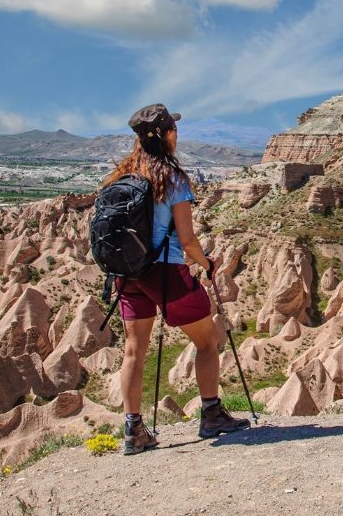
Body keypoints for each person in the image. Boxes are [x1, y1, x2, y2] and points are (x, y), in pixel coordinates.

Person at [102, 103, 250, 455]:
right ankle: (211, 414)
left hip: (127, 274)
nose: (177, 133)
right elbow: (187, 240)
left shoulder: (121, 177)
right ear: (167, 134)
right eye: (174, 129)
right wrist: (209, 263)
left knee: (133, 352)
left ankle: (134, 431)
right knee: (207, 340)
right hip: (166, 273)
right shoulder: (172, 179)